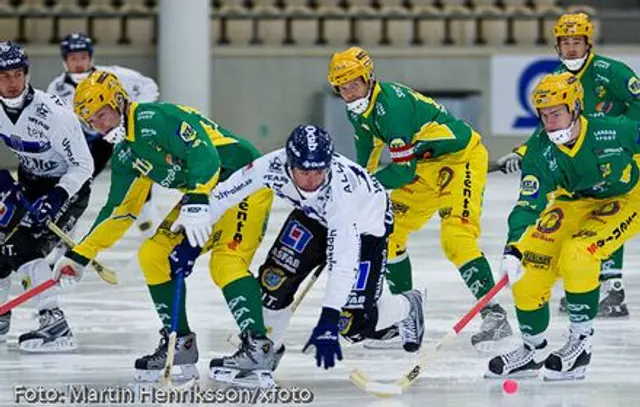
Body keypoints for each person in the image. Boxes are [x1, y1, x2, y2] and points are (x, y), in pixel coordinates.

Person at [52, 70, 274, 385]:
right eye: (92, 122)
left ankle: (257, 345)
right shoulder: (127, 153)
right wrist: (79, 255)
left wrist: (196, 199)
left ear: (118, 100)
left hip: (243, 180)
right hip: (204, 193)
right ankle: (179, 341)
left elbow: (205, 155)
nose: (100, 125)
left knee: (225, 261)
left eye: (102, 114)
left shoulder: (155, 118)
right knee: (153, 253)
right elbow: (120, 211)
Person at [326, 46, 512, 351]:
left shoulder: (392, 108)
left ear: (369, 78)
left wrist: (365, 188)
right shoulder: (357, 110)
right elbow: (367, 157)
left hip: (458, 160)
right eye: (342, 88)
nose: (350, 93)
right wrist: (354, 190)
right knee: (389, 233)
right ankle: (407, 314)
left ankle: (495, 315)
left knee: (456, 238)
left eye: (355, 84)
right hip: (422, 165)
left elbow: (399, 173)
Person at [206, 124, 425, 373]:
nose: (312, 180)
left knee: (350, 325)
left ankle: (408, 305)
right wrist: (192, 232)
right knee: (272, 282)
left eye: (319, 171)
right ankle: (264, 352)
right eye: (303, 171)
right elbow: (224, 194)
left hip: (365, 230)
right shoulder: (271, 165)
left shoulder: (343, 197)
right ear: (289, 164)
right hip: (312, 216)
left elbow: (342, 265)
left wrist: (329, 317)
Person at [487, 72, 640, 381]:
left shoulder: (613, 130)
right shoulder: (540, 149)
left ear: (576, 107)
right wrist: (513, 246)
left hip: (627, 198)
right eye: (543, 115)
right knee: (529, 267)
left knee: (579, 254)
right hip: (574, 202)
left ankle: (580, 346)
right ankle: (533, 349)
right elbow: (528, 203)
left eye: (556, 113)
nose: (549, 122)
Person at [495, 13, 640, 318]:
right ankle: (589, 280)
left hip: (621, 148)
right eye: (565, 43)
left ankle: (611, 285)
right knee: (584, 202)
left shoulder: (610, 71)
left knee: (612, 194)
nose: (572, 48)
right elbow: (548, 125)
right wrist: (523, 152)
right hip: (587, 149)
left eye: (577, 42)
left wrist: (622, 134)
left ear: (589, 42)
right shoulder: (560, 78)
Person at [0, 42, 94, 352]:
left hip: (67, 186)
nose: (12, 82)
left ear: (26, 74)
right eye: (3, 76)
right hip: (29, 182)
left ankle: (54, 323)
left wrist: (56, 197)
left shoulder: (52, 113)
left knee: (23, 244)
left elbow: (84, 165)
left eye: (17, 74)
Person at [47, 32, 161, 237]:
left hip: (120, 135)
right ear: (65, 61)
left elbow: (148, 86)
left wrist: (135, 115)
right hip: (89, 142)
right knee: (75, 184)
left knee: (140, 176)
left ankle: (149, 225)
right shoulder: (56, 88)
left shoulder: (111, 76)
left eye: (83, 57)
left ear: (91, 57)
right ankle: (65, 236)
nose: (79, 63)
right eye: (73, 58)